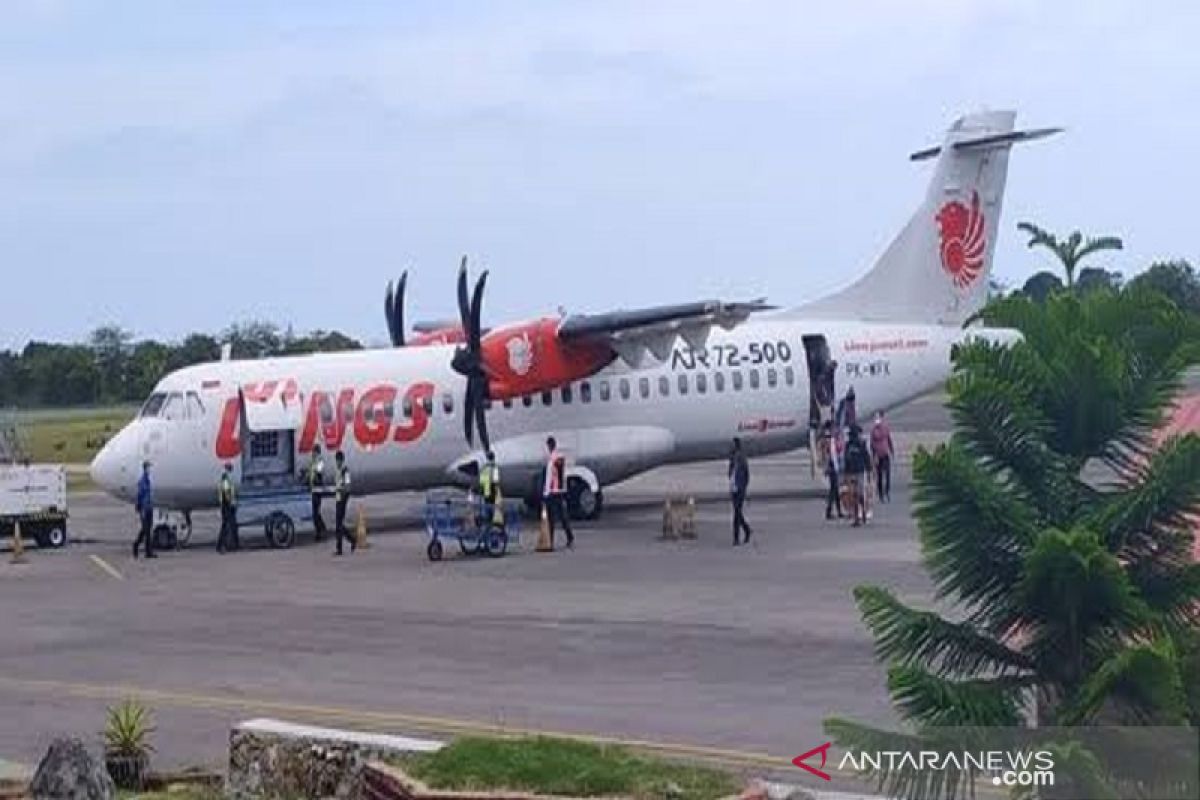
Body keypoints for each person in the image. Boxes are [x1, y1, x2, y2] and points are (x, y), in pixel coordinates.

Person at [542, 436, 574, 549]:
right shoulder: (560, 458)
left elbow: (549, 478)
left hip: (552, 492)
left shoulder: (552, 460)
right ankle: (570, 536)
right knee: (562, 516)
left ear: (549, 446)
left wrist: (545, 493)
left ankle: (550, 542)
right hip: (559, 491)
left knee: (551, 518)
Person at [842, 425, 870, 527]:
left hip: (859, 471)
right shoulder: (848, 445)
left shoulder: (861, 444)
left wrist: (869, 469)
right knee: (853, 495)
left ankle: (862, 512)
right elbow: (846, 459)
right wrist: (845, 474)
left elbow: (866, 457)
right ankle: (856, 518)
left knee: (859, 495)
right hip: (852, 472)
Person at [728, 437, 752, 545]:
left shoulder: (742, 458)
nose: (731, 446)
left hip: (740, 489)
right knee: (738, 513)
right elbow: (730, 472)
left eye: (732, 444)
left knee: (736, 514)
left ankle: (736, 538)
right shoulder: (732, 458)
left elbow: (746, 474)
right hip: (733, 489)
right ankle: (746, 529)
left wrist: (743, 487)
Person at [132, 460, 157, 558]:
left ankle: (147, 552)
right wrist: (139, 506)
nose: (149, 469)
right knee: (146, 531)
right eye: (148, 468)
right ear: (145, 468)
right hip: (144, 508)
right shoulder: (143, 481)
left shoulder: (147, 480)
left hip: (149, 507)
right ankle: (136, 545)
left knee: (147, 530)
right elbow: (140, 495)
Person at [870, 411, 895, 503]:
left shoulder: (885, 428)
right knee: (879, 475)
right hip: (878, 455)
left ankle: (887, 491)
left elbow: (889, 439)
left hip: (885, 453)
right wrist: (873, 456)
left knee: (887, 474)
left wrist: (892, 450)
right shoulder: (873, 431)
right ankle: (880, 493)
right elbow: (872, 444)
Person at [333, 449, 354, 555]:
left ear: (342, 460)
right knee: (339, 524)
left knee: (338, 525)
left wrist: (340, 490)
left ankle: (340, 548)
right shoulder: (338, 470)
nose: (337, 462)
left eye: (338, 460)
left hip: (343, 498)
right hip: (338, 498)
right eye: (336, 460)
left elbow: (348, 487)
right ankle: (351, 539)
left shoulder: (345, 471)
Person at [822, 424, 843, 520]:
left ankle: (838, 511)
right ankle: (829, 511)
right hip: (832, 467)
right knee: (833, 490)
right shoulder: (830, 441)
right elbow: (828, 455)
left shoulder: (832, 440)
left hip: (834, 466)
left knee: (835, 490)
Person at [216, 462, 239, 553]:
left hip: (226, 505)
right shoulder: (226, 479)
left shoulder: (226, 478)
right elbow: (227, 493)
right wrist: (231, 503)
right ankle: (222, 545)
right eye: (230, 468)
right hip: (227, 506)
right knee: (227, 526)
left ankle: (232, 545)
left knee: (230, 525)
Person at [307, 444, 328, 540]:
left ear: (317, 452)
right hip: (314, 489)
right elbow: (311, 473)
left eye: (314, 452)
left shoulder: (319, 462)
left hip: (318, 490)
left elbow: (318, 473)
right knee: (315, 512)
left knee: (316, 512)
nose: (313, 454)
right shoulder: (313, 462)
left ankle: (321, 531)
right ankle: (321, 530)